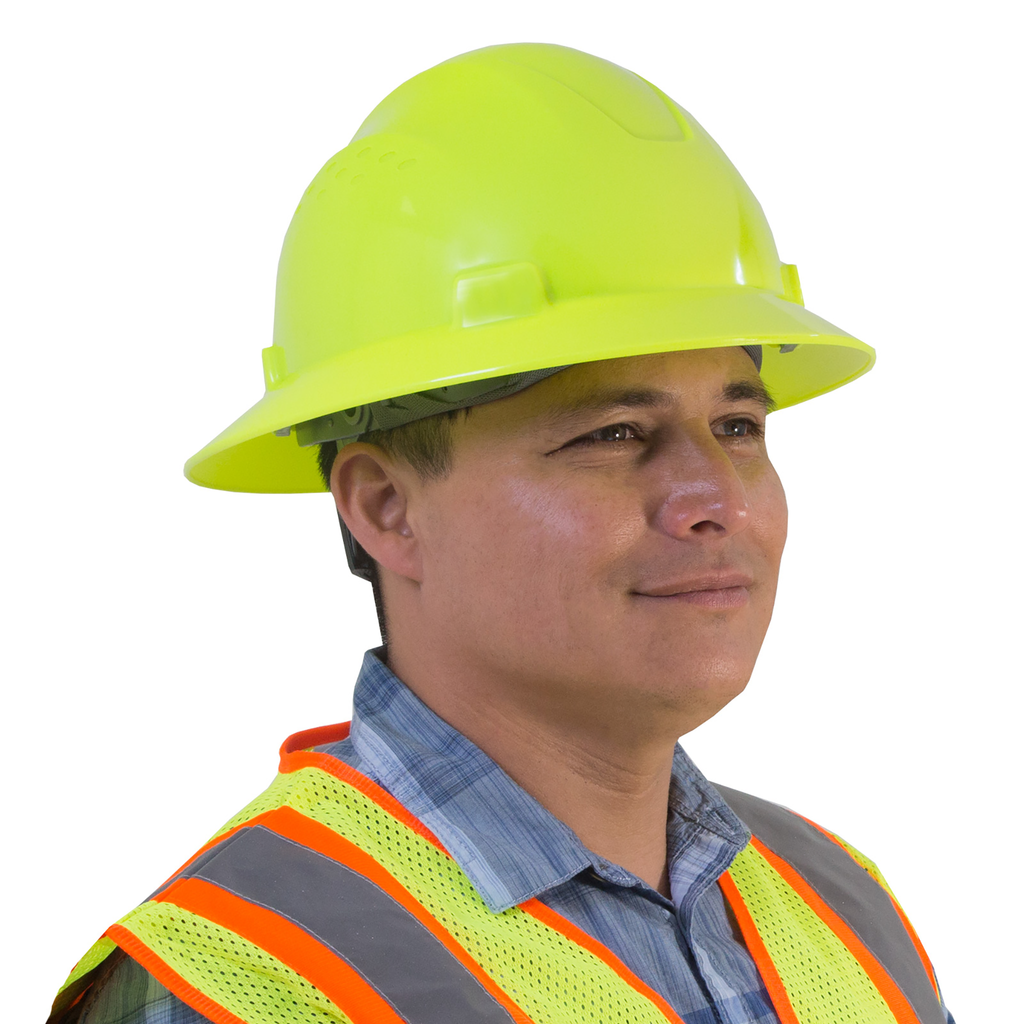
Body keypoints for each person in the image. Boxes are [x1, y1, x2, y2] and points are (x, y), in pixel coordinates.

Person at [48, 42, 954, 1024]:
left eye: (737, 425)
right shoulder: (248, 983)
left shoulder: (843, 910)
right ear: (385, 507)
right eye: (614, 433)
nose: (713, 496)